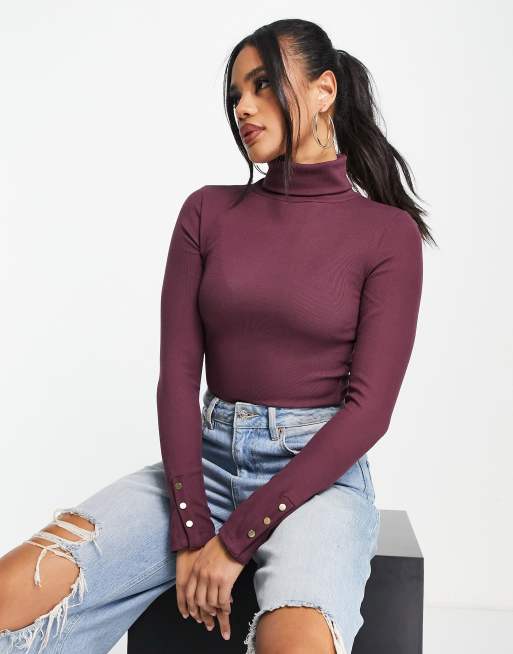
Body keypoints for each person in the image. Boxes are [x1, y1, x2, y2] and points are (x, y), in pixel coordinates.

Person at [0, 18, 435, 654]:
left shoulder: (386, 235)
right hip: (203, 462)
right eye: (235, 95)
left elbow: (369, 412)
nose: (243, 108)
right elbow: (177, 378)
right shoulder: (207, 212)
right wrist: (190, 527)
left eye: (263, 85)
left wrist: (233, 543)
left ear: (325, 90)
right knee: (12, 595)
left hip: (318, 477)